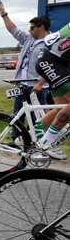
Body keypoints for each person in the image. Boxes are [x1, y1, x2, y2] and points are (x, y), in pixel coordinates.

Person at [0, 4, 51, 146]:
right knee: (17, 115)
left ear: (42, 27)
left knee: (37, 117)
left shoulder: (51, 42)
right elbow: (13, 29)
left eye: (32, 27)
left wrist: (41, 83)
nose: (29, 30)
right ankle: (16, 140)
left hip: (38, 87)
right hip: (22, 84)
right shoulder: (29, 39)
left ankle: (36, 141)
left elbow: (53, 66)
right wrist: (4, 14)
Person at [34, 22, 70, 159]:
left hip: (58, 62)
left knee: (60, 107)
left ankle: (33, 133)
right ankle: (46, 141)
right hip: (50, 61)